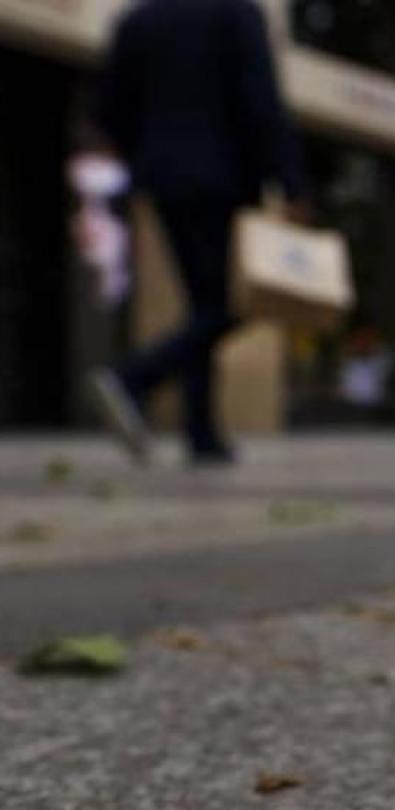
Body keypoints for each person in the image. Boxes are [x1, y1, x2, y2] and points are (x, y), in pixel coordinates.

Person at [88, 0, 307, 467]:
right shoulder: (236, 14)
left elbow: (109, 109)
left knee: (203, 303)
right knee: (230, 305)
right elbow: (261, 101)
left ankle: (201, 430)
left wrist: (144, 157)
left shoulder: (139, 20)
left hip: (164, 180)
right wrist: (290, 183)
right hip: (224, 179)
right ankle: (134, 377)